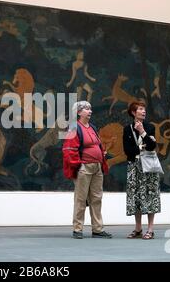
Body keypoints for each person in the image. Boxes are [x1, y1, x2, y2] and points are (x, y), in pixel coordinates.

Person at [62, 101, 112, 239]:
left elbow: (96, 145)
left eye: (90, 108)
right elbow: (69, 150)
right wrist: (78, 165)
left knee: (97, 198)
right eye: (86, 109)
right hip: (84, 167)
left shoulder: (93, 127)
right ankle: (77, 229)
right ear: (78, 112)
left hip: (97, 167)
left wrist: (101, 154)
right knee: (81, 199)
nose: (89, 111)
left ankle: (97, 229)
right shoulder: (74, 127)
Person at [123, 101, 160, 240]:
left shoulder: (150, 127)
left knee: (150, 195)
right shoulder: (127, 129)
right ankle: (138, 228)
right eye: (140, 109)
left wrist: (142, 132)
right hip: (134, 167)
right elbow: (127, 151)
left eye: (144, 109)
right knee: (136, 196)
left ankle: (150, 229)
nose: (143, 111)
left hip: (148, 167)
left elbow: (151, 146)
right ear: (133, 112)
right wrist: (140, 147)